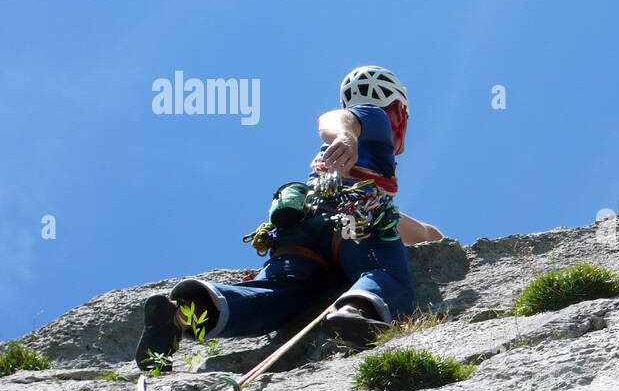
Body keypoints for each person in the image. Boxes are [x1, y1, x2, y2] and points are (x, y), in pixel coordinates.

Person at [134, 66, 442, 371]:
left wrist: (432, 236)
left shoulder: (351, 160)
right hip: (356, 220)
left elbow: (404, 224)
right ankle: (355, 312)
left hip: (304, 226)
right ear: (398, 109)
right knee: (386, 270)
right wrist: (347, 134)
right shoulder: (372, 117)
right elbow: (333, 119)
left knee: (278, 296)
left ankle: (182, 314)